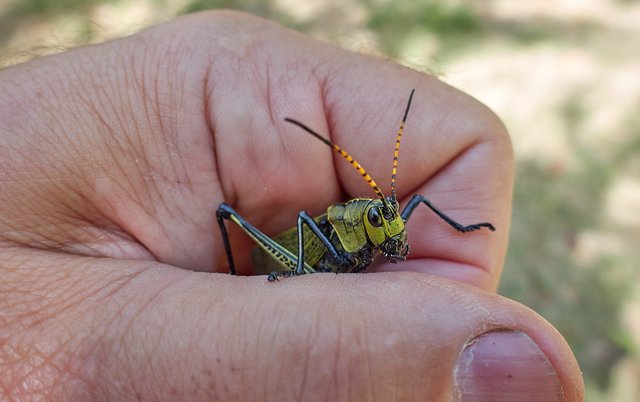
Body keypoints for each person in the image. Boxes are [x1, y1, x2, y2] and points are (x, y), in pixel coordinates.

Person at [0, 10, 583, 401]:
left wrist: (458, 227)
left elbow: (412, 208)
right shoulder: (335, 225)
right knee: (239, 216)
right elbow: (308, 228)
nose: (392, 228)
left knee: (418, 198)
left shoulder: (384, 220)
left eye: (388, 222)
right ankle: (232, 275)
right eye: (383, 220)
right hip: (294, 262)